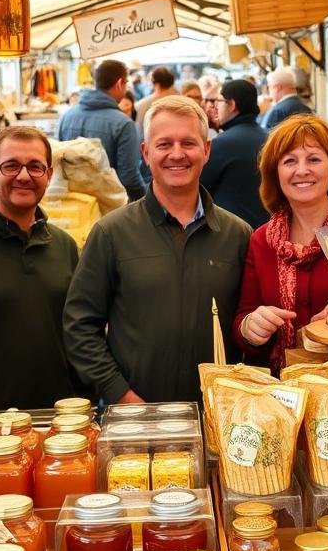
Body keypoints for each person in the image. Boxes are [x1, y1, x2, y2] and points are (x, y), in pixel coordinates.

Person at [64, 96, 252, 404]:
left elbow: (247, 325)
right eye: (164, 144)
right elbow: (80, 326)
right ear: (146, 153)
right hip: (136, 416)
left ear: (206, 151)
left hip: (217, 417)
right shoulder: (111, 233)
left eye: (188, 143)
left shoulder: (237, 235)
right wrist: (119, 393)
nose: (177, 154)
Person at [233, 115, 328, 373]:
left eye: (314, 159)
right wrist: (251, 326)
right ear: (276, 173)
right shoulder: (262, 240)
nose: (302, 170)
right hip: (282, 393)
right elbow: (243, 319)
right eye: (289, 161)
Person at [0, 125, 80, 410]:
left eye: (35, 167)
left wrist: (80, 390)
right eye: (11, 166)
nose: (24, 176)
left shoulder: (64, 246)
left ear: (48, 175)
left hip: (61, 414)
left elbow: (80, 328)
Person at [57, 59, 145, 200]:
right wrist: (145, 199)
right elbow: (129, 178)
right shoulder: (123, 124)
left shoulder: (66, 116)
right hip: (112, 208)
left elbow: (57, 163)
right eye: (126, 83)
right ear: (119, 84)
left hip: (74, 205)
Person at [200, 79, 270, 228]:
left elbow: (199, 187)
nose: (215, 107)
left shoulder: (222, 143)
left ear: (231, 105)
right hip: (268, 231)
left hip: (232, 233)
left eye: (218, 101)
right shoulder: (271, 138)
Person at [134, 66, 177, 132]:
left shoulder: (145, 104)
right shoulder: (182, 101)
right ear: (172, 82)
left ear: (155, 84)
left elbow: (139, 130)